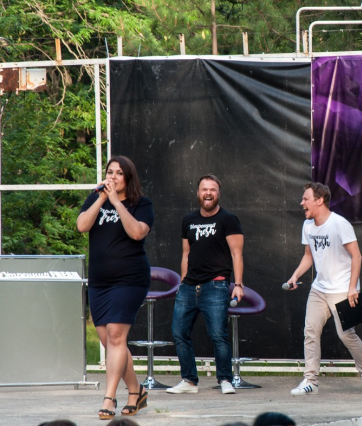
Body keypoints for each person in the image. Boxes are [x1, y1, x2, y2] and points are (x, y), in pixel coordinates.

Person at [77, 156, 154, 420]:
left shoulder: (141, 204)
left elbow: (137, 233)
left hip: (130, 279)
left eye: (119, 173)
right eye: (110, 172)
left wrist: (117, 203)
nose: (113, 177)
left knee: (116, 336)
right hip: (100, 281)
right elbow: (81, 226)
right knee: (109, 342)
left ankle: (108, 398)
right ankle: (136, 390)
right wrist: (101, 198)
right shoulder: (95, 198)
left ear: (128, 177)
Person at [285, 182, 362, 395]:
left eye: (305, 199)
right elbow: (308, 256)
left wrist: (352, 288)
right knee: (310, 332)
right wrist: (295, 276)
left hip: (343, 289)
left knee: (346, 334)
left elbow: (357, 256)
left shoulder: (339, 224)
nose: (301, 203)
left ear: (319, 200)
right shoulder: (307, 225)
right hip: (319, 289)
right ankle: (310, 381)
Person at [167, 174, 244, 395]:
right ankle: (189, 381)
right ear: (198, 193)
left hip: (216, 285)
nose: (208, 193)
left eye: (212, 189)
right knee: (179, 333)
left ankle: (225, 380)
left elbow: (237, 254)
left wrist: (238, 284)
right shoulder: (188, 220)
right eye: (204, 189)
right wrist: (183, 282)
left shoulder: (228, 219)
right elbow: (186, 254)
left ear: (218, 193)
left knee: (218, 335)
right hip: (189, 287)